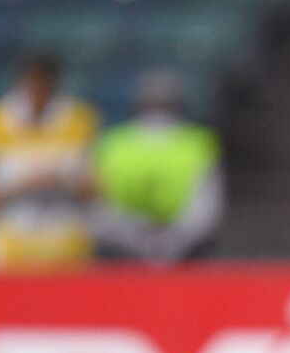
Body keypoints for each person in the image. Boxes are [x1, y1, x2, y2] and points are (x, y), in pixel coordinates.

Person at [0, 51, 100, 271]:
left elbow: (95, 190)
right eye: (32, 82)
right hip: (8, 250)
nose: (37, 90)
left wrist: (62, 180)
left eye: (43, 82)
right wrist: (25, 183)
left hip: (67, 251)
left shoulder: (80, 121)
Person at [92, 68, 225, 262]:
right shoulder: (198, 143)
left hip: (122, 254)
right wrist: (169, 243)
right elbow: (206, 213)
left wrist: (137, 239)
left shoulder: (113, 143)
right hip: (183, 256)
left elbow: (99, 211)